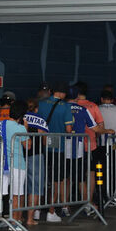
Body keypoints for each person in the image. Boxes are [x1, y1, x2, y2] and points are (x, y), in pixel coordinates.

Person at [37, 83, 74, 223]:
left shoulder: (41, 104)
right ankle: (51, 211)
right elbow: (68, 129)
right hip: (58, 146)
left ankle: (36, 210)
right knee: (57, 180)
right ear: (63, 93)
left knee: (41, 178)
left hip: (42, 145)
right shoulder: (65, 106)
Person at [0, 101, 30, 222]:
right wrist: (26, 128)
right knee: (16, 195)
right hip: (17, 163)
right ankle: (15, 222)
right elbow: (28, 146)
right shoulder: (20, 128)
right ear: (21, 116)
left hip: (0, 163)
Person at [23, 98, 48, 226]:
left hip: (20, 155)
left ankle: (17, 217)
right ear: (36, 108)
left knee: (19, 187)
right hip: (36, 155)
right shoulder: (41, 120)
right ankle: (30, 218)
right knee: (35, 187)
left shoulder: (20, 118)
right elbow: (44, 140)